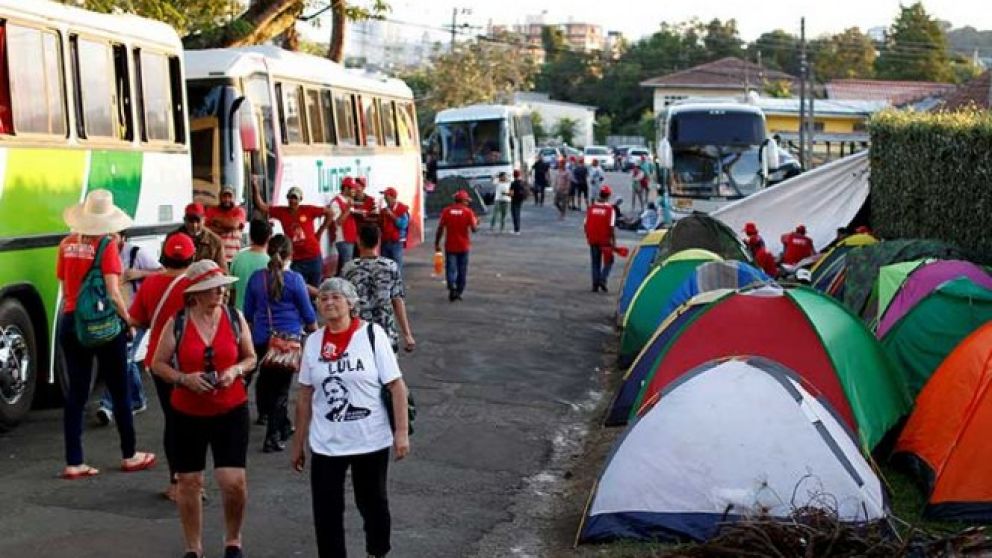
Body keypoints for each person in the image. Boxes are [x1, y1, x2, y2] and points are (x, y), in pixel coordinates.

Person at [291, 278, 410, 558]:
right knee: (326, 511)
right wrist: (298, 442)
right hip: (326, 442)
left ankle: (377, 552)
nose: (329, 302)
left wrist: (401, 433)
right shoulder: (313, 341)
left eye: (336, 297)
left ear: (350, 303)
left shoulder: (372, 335)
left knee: (373, 503)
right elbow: (305, 395)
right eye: (323, 298)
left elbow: (396, 386)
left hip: (369, 438)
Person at [151, 260, 257, 558]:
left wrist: (234, 371)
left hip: (231, 409)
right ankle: (193, 547)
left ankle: (233, 540)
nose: (222, 292)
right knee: (189, 481)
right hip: (187, 413)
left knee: (232, 482)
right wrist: (184, 379)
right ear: (196, 293)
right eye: (214, 288)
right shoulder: (178, 322)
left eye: (223, 286)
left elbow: (251, 357)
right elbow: (157, 364)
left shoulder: (235, 318)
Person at [57, 189, 156, 479]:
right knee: (119, 389)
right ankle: (130, 454)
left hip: (71, 322)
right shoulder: (107, 247)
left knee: (76, 393)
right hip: (104, 326)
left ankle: (74, 461)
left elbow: (66, 290)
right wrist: (128, 320)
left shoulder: (64, 245)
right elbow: (114, 293)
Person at [129, 232, 196, 501]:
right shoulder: (196, 284)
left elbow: (137, 320)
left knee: (173, 421)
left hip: (159, 362)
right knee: (193, 424)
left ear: (163, 256)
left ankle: (175, 483)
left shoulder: (151, 284)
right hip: (192, 361)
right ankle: (193, 483)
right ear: (192, 258)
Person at [244, 234, 318, 452]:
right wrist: (316, 334)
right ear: (290, 255)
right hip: (286, 342)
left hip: (261, 339)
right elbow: (308, 314)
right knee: (281, 391)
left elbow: (248, 312)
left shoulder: (257, 278)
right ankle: (273, 437)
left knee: (266, 383)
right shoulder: (295, 280)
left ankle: (279, 423)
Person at [95, 231, 161, 425]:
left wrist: (139, 273)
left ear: (123, 238)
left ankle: (107, 405)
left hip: (137, 316)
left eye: (113, 236)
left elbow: (162, 271)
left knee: (122, 359)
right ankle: (138, 399)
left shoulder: (136, 253)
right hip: (116, 315)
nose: (108, 239)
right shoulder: (104, 254)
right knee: (127, 359)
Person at [342, 225, 416, 354]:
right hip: (386, 333)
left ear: (358, 241)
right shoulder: (391, 266)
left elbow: (343, 303)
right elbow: (397, 300)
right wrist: (407, 334)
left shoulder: (349, 269)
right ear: (378, 241)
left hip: (357, 334)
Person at [252, 179, 330, 289]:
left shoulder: (308, 210)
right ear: (287, 198)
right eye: (291, 198)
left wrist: (320, 231)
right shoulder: (282, 211)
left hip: (314, 257)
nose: (293, 201)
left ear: (300, 199)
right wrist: (255, 187)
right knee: (296, 287)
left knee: (315, 289)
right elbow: (262, 207)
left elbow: (329, 212)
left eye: (295, 198)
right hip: (297, 258)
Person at [435, 190, 479, 302]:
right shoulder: (468, 212)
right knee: (462, 269)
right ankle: (459, 290)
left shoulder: (447, 211)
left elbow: (440, 228)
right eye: (467, 200)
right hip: (463, 246)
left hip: (450, 245)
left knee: (450, 268)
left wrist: (437, 243)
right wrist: (477, 223)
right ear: (463, 201)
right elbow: (474, 230)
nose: (468, 203)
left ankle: (452, 287)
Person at [229, 219, 272, 313]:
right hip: (262, 316)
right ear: (269, 238)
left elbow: (232, 291)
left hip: (239, 314)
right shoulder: (270, 262)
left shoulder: (238, 257)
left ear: (250, 237)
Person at [177, 203, 228, 274]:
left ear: (204, 220)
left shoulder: (215, 241)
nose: (194, 225)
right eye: (191, 221)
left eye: (198, 221)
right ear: (185, 220)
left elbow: (223, 271)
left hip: (206, 283)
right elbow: (165, 268)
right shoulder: (174, 238)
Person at [584, 185, 617, 293]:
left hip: (593, 239)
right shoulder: (610, 209)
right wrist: (614, 241)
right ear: (608, 196)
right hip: (605, 240)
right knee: (609, 261)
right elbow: (611, 227)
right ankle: (603, 279)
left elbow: (585, 224)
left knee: (595, 262)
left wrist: (588, 236)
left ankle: (595, 284)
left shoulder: (591, 208)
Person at [205, 185, 247, 265]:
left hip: (232, 259)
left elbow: (234, 224)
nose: (227, 199)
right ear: (220, 198)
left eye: (229, 196)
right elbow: (205, 229)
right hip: (214, 258)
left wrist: (216, 220)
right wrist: (227, 229)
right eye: (224, 196)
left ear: (234, 198)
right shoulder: (211, 210)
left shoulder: (239, 211)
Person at [328, 177, 358, 277]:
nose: (354, 191)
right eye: (352, 188)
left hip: (350, 237)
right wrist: (349, 209)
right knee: (347, 268)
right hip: (343, 238)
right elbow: (338, 221)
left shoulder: (348, 200)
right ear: (345, 188)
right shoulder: (336, 202)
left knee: (344, 267)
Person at [379, 187, 410, 268]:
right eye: (384, 195)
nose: (385, 197)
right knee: (385, 267)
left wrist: (392, 215)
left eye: (387, 195)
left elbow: (403, 225)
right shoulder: (384, 210)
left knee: (396, 267)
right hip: (385, 242)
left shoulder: (401, 208)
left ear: (393, 196)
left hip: (396, 243)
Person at [509, 170, 528, 235]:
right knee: (518, 214)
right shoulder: (521, 182)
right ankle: (517, 229)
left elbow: (511, 193)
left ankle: (516, 229)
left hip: (514, 200)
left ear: (513, 175)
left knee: (514, 215)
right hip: (520, 200)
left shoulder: (513, 183)